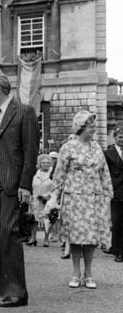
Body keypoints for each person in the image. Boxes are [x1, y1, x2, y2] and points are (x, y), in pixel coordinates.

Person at [0, 71, 39, 307]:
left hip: (11, 182)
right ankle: (1, 283)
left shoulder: (25, 112)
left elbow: (30, 151)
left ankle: (16, 292)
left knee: (9, 232)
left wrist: (25, 183)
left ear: (0, 88)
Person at [44, 112, 113, 289]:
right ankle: (76, 273)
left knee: (90, 238)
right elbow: (59, 174)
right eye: (91, 127)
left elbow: (104, 172)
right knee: (75, 237)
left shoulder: (97, 147)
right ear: (81, 127)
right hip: (74, 198)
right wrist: (54, 197)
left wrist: (107, 195)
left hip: (93, 198)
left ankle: (88, 273)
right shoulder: (68, 147)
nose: (94, 130)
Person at [104, 128, 123, 263]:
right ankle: (118, 251)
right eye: (120, 137)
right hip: (116, 191)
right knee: (117, 222)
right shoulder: (108, 153)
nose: (122, 140)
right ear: (115, 138)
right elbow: (105, 173)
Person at [27, 154, 53, 247]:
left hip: (47, 201)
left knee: (47, 219)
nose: (45, 164)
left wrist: (46, 196)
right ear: (40, 164)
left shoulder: (52, 174)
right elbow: (31, 186)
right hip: (35, 199)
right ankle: (33, 238)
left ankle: (46, 239)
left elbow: (55, 188)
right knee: (34, 219)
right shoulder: (35, 174)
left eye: (47, 163)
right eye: (43, 163)